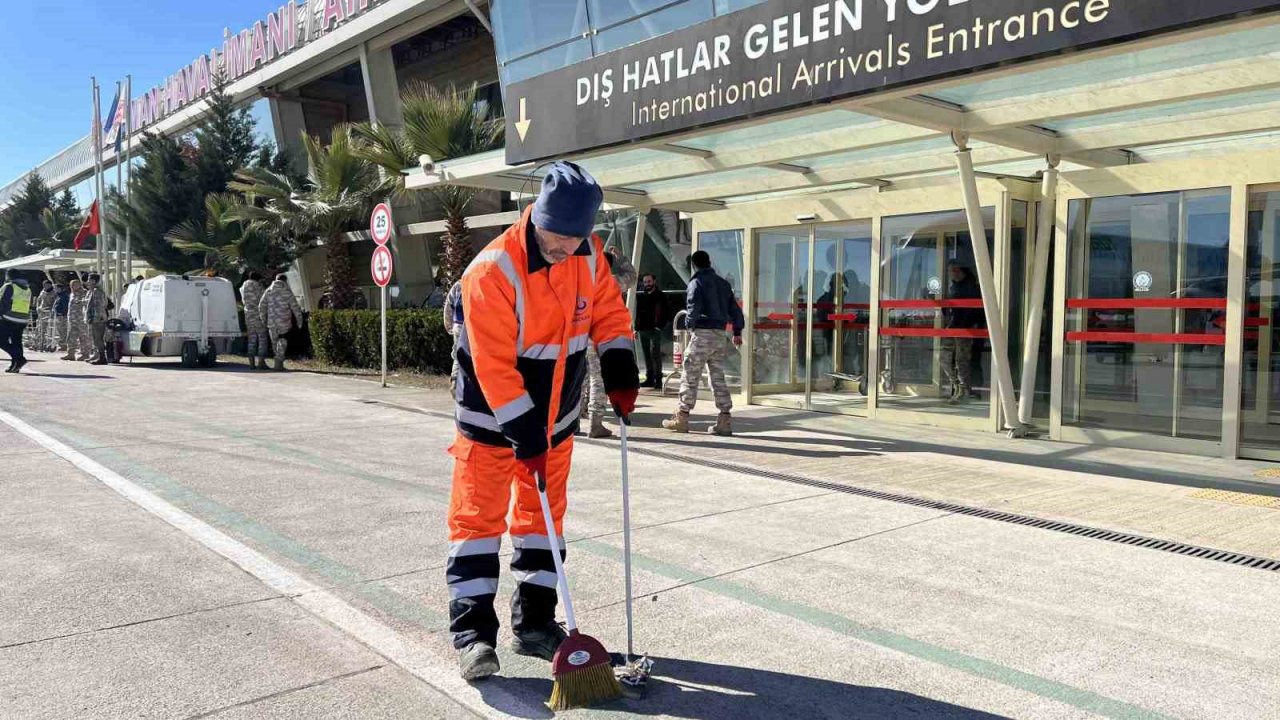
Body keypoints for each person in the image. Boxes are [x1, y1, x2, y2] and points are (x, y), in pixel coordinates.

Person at [447, 161, 639, 681]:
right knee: (478, 527)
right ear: (535, 218)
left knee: (543, 526)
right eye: (554, 242)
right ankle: (472, 638)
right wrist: (523, 432)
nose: (563, 253)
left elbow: (608, 314)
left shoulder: (587, 253)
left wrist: (621, 366)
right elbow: (493, 366)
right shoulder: (491, 272)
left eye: (573, 243)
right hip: (490, 424)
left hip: (555, 424)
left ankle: (534, 625)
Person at [663, 251, 744, 436]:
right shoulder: (723, 284)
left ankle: (682, 418)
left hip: (702, 333)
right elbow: (735, 309)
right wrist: (737, 331)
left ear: (694, 265)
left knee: (690, 375)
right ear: (709, 262)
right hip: (720, 335)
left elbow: (693, 307)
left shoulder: (696, 282)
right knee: (717, 377)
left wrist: (690, 326)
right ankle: (724, 420)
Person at [581, 247, 636, 438]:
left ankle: (574, 420)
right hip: (606, 338)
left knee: (581, 378)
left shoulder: (582, 282)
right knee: (598, 379)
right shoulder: (611, 282)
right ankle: (595, 423)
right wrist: (621, 258)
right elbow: (631, 276)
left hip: (584, 334)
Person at [940, 262, 983, 404]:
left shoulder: (973, 288)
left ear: (964, 271)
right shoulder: (953, 288)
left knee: (962, 360)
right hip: (953, 328)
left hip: (966, 329)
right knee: (945, 359)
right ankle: (958, 387)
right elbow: (950, 310)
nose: (953, 273)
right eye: (951, 271)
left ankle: (964, 391)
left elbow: (977, 310)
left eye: (956, 270)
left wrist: (970, 325)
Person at [259, 274, 303, 371]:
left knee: (275, 342)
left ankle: (278, 363)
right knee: (282, 341)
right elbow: (295, 307)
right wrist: (300, 321)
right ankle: (278, 363)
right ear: (285, 281)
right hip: (284, 321)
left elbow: (261, 305)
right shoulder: (286, 292)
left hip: (271, 322)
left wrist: (264, 319)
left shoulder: (268, 291)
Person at [635, 273, 671, 388]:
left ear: (654, 282)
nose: (647, 284)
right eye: (645, 282)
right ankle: (650, 378)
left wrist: (659, 326)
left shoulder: (660, 296)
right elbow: (639, 313)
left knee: (655, 355)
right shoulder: (641, 296)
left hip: (654, 330)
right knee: (647, 355)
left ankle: (658, 379)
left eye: (649, 282)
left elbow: (666, 313)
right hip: (643, 329)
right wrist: (636, 328)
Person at [0, 271, 32, 373]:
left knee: (2, 341)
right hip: (22, 319)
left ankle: (19, 358)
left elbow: (4, 302)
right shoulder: (27, 288)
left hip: (9, 317)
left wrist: (1, 314)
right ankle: (16, 365)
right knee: (16, 342)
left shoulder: (9, 286)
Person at [239, 272, 269, 369]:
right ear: (258, 279)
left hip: (248, 314)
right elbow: (264, 299)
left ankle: (251, 363)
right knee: (262, 337)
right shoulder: (258, 286)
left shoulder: (243, 287)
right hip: (258, 314)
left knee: (252, 339)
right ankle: (261, 362)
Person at [442, 280, 464, 397]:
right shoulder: (478, 281)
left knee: (457, 356)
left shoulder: (458, 285)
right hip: (472, 325)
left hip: (458, 325)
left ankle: (455, 381)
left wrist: (449, 325)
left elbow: (448, 306)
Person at [63, 279, 91, 362]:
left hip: (81, 320)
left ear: (79, 285)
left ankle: (85, 354)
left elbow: (86, 305)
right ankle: (71, 354)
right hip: (72, 319)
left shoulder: (85, 293)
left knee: (83, 337)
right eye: (71, 285)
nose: (72, 287)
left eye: (74, 285)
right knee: (71, 337)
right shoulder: (72, 294)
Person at [85, 273, 109, 365]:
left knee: (98, 339)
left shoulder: (97, 291)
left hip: (98, 319)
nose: (88, 281)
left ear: (94, 281)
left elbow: (98, 306)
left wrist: (94, 318)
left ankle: (102, 358)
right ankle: (99, 356)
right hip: (96, 319)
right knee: (96, 339)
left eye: (89, 280)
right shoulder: (93, 291)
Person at [34, 280, 55, 352]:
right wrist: (37, 307)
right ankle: (38, 344)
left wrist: (51, 310)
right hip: (41, 313)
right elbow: (39, 300)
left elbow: (55, 303)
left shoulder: (54, 293)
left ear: (51, 285)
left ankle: (47, 345)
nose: (46, 287)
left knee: (48, 330)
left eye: (48, 285)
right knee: (39, 329)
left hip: (49, 313)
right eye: (45, 285)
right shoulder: (42, 292)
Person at [51, 282, 70, 353]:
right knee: (59, 331)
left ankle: (63, 345)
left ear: (61, 289)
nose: (55, 290)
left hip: (62, 316)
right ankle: (62, 345)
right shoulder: (58, 296)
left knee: (63, 331)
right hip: (58, 316)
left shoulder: (64, 296)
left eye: (57, 288)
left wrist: (61, 312)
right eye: (55, 288)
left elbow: (65, 306)